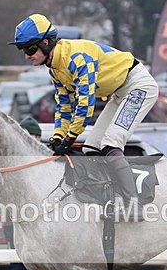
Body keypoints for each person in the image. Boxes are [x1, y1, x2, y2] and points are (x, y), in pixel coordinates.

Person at [9, 13, 158, 218]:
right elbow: (63, 106)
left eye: (30, 49)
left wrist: (71, 137)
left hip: (138, 86)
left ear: (45, 42)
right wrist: (58, 136)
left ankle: (134, 205)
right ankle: (110, 198)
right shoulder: (55, 69)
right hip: (119, 93)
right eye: (22, 50)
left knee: (111, 143)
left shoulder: (77, 58)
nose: (27, 55)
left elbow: (84, 104)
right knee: (91, 148)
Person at [0, 116, 45, 270]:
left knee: (19, 262)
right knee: (44, 264)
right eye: (32, 136)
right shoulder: (33, 160)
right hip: (29, 221)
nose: (34, 140)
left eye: (36, 137)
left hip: (13, 219)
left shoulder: (11, 158)